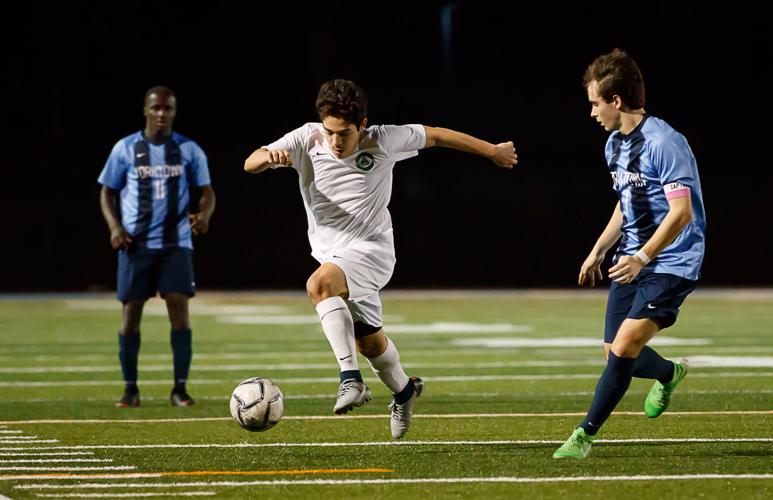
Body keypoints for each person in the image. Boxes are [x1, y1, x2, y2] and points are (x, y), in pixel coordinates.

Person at [244, 79, 517, 438]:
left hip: (372, 250)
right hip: (334, 256)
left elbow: (436, 135)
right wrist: (268, 158)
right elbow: (250, 162)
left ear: (362, 124)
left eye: (343, 134)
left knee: (319, 284)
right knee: (370, 344)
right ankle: (405, 392)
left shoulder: (383, 139)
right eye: (329, 132)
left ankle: (350, 380)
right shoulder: (306, 138)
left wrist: (493, 151)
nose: (335, 141)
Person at [553, 49, 706, 459]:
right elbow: (627, 202)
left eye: (594, 103)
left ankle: (584, 436)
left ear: (615, 101)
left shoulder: (665, 142)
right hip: (631, 259)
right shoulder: (613, 146)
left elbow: (681, 211)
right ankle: (670, 372)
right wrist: (599, 249)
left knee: (623, 350)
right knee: (614, 354)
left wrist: (643, 257)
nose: (591, 112)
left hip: (673, 260)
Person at [98, 86, 216, 408]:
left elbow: (206, 191)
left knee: (179, 308)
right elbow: (107, 191)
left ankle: (180, 389)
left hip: (176, 243)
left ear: (174, 112)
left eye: (168, 109)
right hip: (136, 245)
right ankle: (130, 389)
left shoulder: (189, 150)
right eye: (156, 108)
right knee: (131, 311)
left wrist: (203, 215)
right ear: (146, 110)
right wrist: (115, 227)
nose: (162, 114)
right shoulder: (125, 149)